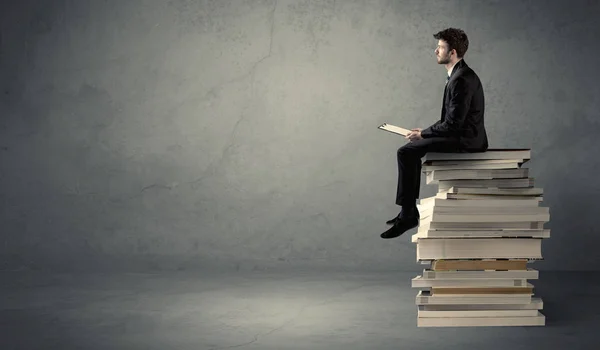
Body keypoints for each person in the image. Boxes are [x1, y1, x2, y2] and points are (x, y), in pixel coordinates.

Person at [380, 28, 488, 239]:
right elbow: (450, 119)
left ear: (453, 52)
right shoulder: (458, 74)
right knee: (409, 149)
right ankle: (407, 211)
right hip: (461, 134)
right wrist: (425, 132)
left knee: (406, 152)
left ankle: (409, 213)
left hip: (466, 141)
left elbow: (453, 124)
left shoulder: (461, 79)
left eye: (440, 47)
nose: (435, 51)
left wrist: (425, 136)